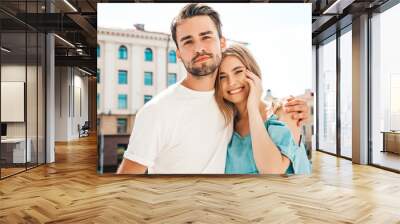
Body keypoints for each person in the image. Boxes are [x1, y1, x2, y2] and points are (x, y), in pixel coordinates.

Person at [116, 3, 309, 174]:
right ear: (179, 54)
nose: (199, 47)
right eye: (188, 41)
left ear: (222, 42)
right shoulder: (156, 111)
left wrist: (291, 108)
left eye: (206, 37)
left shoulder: (231, 106)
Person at [215, 45, 311, 174]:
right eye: (222, 77)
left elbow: (272, 171)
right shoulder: (226, 125)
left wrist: (252, 107)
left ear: (252, 73)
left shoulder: (284, 112)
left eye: (238, 71)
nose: (231, 82)